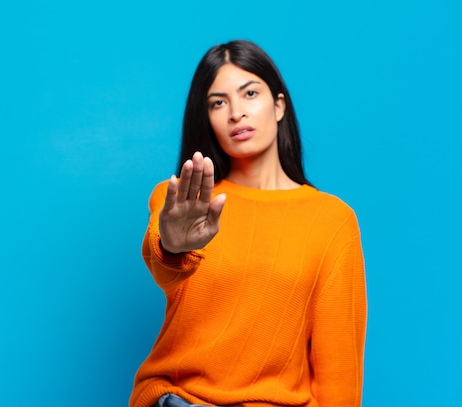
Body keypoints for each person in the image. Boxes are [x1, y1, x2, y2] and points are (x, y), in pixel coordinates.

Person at [129, 40, 367, 407]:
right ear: (206, 118)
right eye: (218, 102)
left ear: (278, 106)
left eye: (250, 93)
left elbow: (340, 374)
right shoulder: (181, 199)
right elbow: (162, 260)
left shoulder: (331, 221)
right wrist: (173, 246)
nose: (236, 113)